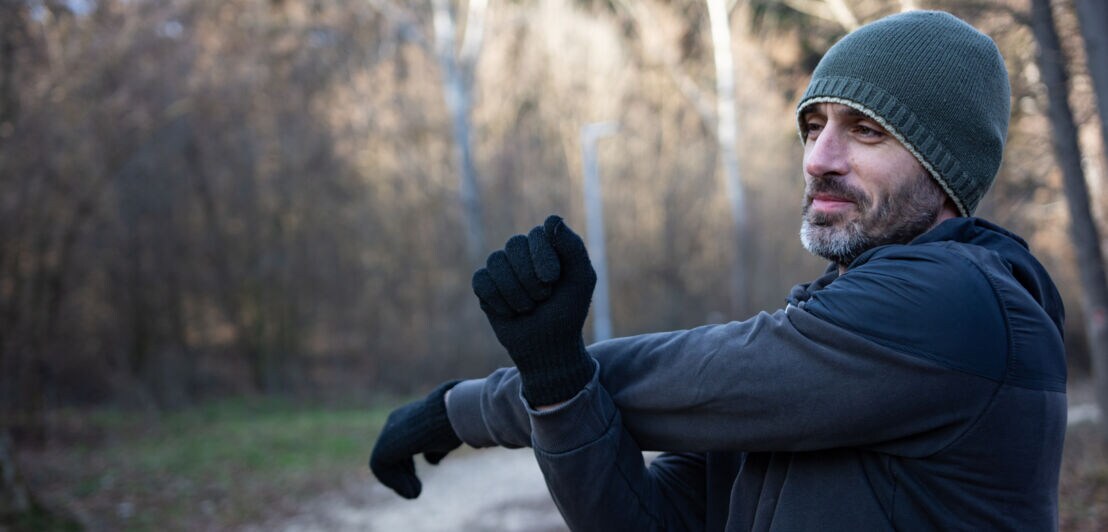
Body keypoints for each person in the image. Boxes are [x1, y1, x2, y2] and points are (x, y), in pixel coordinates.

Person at [369, 10, 1067, 531]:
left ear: (945, 167)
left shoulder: (960, 305)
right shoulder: (833, 349)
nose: (819, 157)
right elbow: (647, 520)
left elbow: (694, 377)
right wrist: (555, 382)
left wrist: (460, 409)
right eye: (814, 124)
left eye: (866, 130)